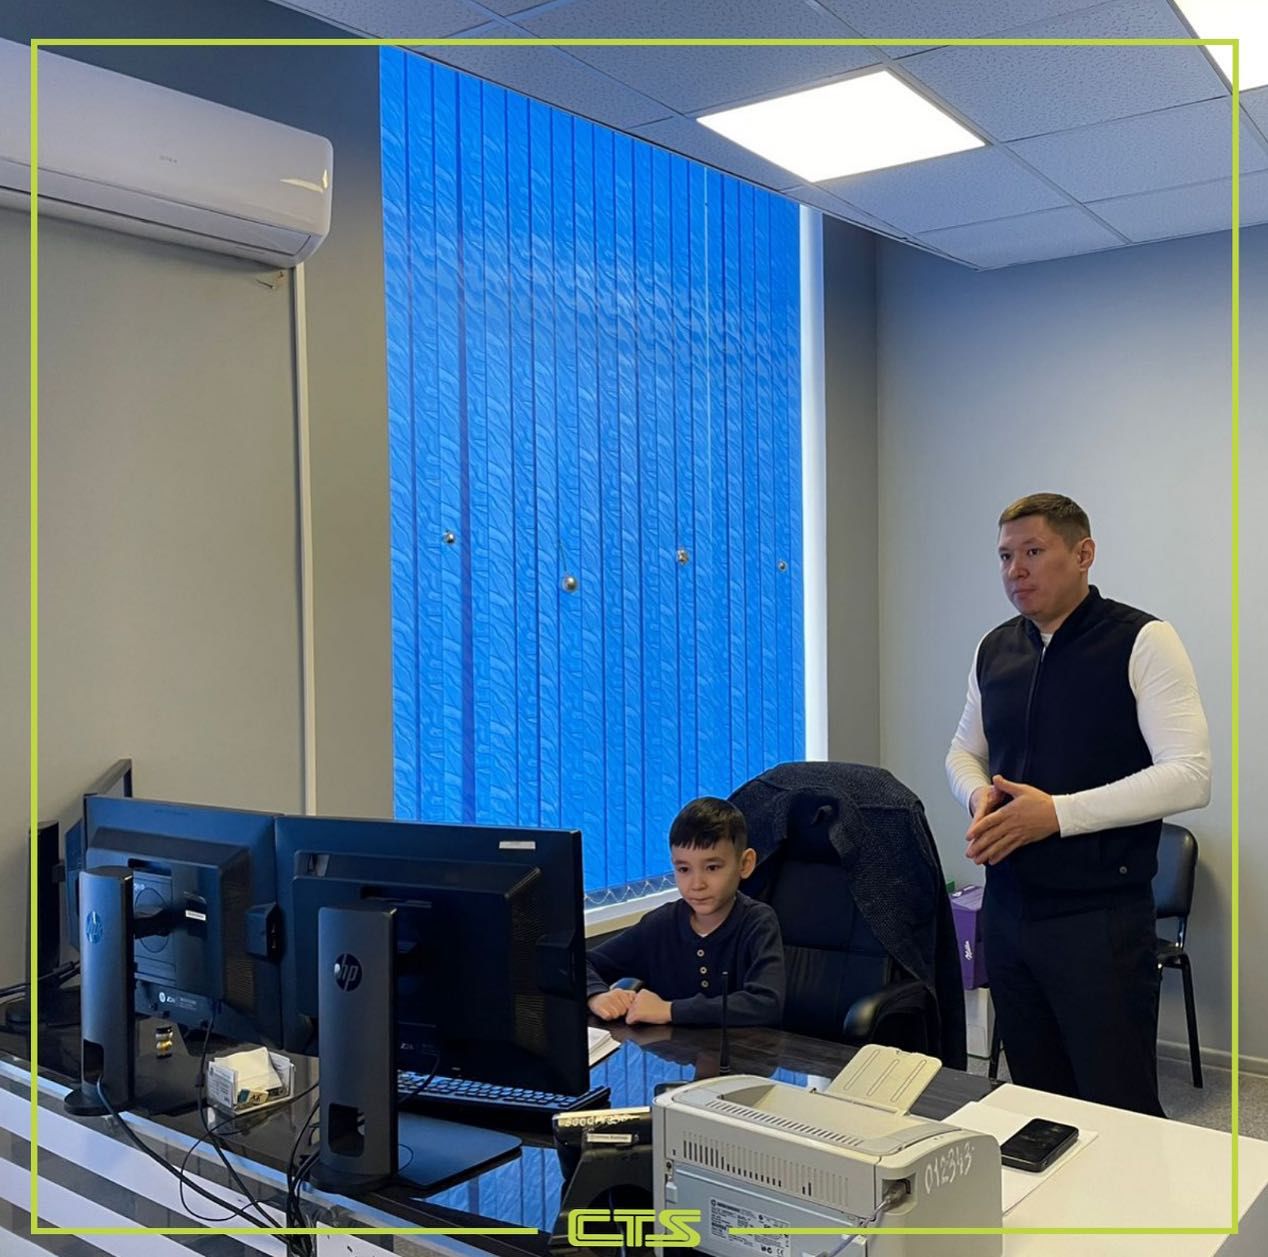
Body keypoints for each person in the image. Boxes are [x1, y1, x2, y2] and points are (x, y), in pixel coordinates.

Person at [945, 493, 1210, 1115]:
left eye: (1034, 552)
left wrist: (1057, 815)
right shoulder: (994, 648)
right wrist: (978, 793)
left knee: (1118, 1106)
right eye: (1005, 556)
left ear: (1083, 553)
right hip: (1008, 912)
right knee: (1040, 1106)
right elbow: (962, 750)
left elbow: (1190, 776)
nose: (1016, 570)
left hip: (1099, 919)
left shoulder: (1143, 640)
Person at [586, 797, 785, 1027]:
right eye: (683, 869)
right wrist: (596, 995)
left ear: (745, 864)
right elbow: (582, 963)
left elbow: (767, 1004)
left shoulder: (758, 922)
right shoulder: (660, 925)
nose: (697, 884)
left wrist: (669, 1010)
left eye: (712, 867)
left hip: (744, 1049)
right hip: (672, 1049)